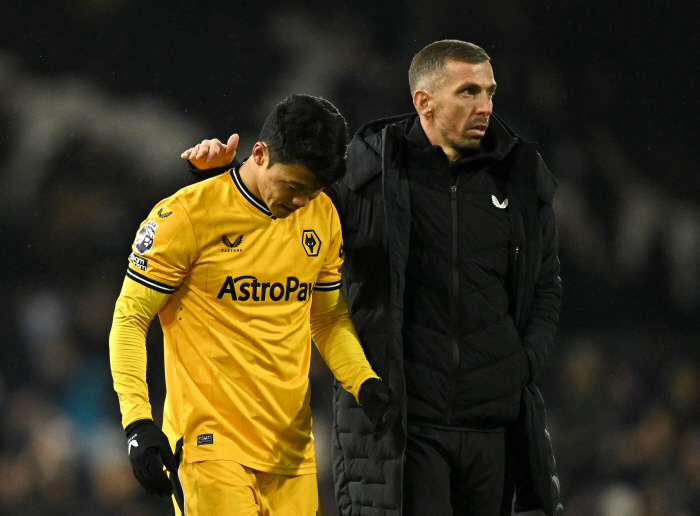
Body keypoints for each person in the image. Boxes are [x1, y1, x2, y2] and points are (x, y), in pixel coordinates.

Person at [185, 40, 563, 516]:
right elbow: (277, 228)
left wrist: (523, 366)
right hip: (401, 425)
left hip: (492, 427)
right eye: (468, 92)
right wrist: (221, 183)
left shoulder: (521, 175)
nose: (485, 106)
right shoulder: (364, 170)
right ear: (423, 101)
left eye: (489, 92)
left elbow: (546, 285)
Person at [109, 93, 399, 516]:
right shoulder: (185, 217)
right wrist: (137, 422)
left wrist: (364, 383)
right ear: (259, 153)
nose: (302, 201)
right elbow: (131, 318)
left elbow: (328, 317)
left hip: (292, 452)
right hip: (210, 446)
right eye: (295, 186)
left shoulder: (322, 217)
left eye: (315, 190)